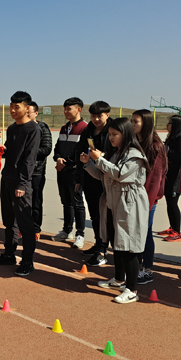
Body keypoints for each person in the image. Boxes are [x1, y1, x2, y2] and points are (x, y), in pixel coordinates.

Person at [81, 118, 149, 304]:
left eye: (114, 134)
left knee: (129, 246)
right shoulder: (116, 153)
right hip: (113, 203)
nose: (111, 138)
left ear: (125, 134)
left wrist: (99, 159)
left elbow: (119, 174)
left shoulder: (134, 155)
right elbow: (104, 175)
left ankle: (132, 289)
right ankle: (119, 279)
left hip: (129, 205)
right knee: (117, 243)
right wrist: (89, 164)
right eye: (109, 134)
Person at [0, 91, 41, 276]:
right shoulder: (11, 129)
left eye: (16, 107)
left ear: (27, 108)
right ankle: (9, 254)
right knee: (9, 221)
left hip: (21, 183)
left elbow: (29, 159)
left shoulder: (33, 130)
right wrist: (2, 150)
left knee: (25, 224)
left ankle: (27, 261)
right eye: (11, 106)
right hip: (7, 179)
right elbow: (13, 153)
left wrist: (22, 183)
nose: (12, 110)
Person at [131, 109, 167, 284]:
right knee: (136, 233)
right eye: (131, 121)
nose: (132, 124)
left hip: (146, 199)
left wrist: (147, 202)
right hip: (135, 197)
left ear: (145, 123)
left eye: (135, 122)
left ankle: (147, 269)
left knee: (145, 233)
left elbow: (155, 179)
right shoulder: (135, 142)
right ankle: (136, 267)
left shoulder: (154, 146)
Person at [75, 101, 112, 266]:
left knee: (105, 217)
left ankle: (103, 249)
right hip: (90, 177)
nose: (96, 119)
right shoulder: (88, 130)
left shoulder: (113, 130)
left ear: (107, 115)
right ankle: (98, 243)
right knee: (95, 215)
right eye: (93, 116)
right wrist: (78, 180)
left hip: (107, 179)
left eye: (100, 116)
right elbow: (80, 153)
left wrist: (102, 156)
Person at [52, 97, 87, 248]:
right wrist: (58, 158)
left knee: (77, 203)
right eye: (64, 109)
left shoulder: (84, 128)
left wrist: (65, 162)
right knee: (66, 202)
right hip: (62, 172)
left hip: (75, 172)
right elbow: (57, 148)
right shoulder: (63, 128)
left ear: (78, 109)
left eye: (69, 109)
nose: (65, 111)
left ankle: (80, 234)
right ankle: (67, 231)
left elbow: (80, 151)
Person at [27, 101, 52, 240]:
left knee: (35, 202)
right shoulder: (19, 128)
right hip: (22, 172)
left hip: (37, 171)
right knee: (22, 202)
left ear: (36, 113)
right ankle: (23, 227)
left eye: (29, 112)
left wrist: (28, 152)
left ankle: (36, 229)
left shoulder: (42, 128)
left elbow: (46, 149)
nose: (26, 114)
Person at [157, 115, 181, 242]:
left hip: (176, 176)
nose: (167, 125)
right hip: (169, 174)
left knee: (172, 202)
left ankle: (177, 231)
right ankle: (172, 227)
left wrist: (165, 152)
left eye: (170, 123)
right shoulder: (172, 137)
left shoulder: (179, 138)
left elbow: (177, 156)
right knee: (169, 201)